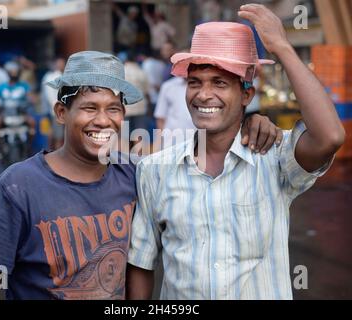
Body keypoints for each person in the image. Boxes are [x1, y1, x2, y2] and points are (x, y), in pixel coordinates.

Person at [0, 50, 281, 300]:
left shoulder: (136, 175)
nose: (103, 120)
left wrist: (250, 122)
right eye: (89, 107)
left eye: (113, 109)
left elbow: (195, 165)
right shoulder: (17, 187)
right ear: (62, 112)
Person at [127, 5, 345, 300]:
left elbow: (330, 136)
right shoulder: (155, 169)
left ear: (246, 95)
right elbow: (141, 263)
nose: (204, 94)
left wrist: (282, 47)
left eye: (220, 82)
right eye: (194, 82)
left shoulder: (274, 157)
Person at [0, 61, 36, 154]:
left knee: (32, 123)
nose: (14, 74)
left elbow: (32, 98)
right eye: (12, 72)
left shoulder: (24, 85)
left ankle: (29, 146)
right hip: (5, 114)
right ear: (8, 73)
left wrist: (31, 101)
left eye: (16, 72)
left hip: (21, 114)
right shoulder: (2, 87)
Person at [154, 76, 195, 148]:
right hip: (171, 141)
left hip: (195, 140)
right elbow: (160, 117)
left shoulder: (201, 88)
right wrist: (160, 143)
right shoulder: (168, 86)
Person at [41, 57, 66, 150]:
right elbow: (50, 95)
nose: (62, 65)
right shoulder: (56, 76)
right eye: (60, 63)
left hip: (51, 111)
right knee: (58, 136)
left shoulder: (48, 76)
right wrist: (56, 109)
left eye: (63, 63)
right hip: (56, 111)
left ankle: (50, 154)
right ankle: (55, 156)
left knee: (51, 134)